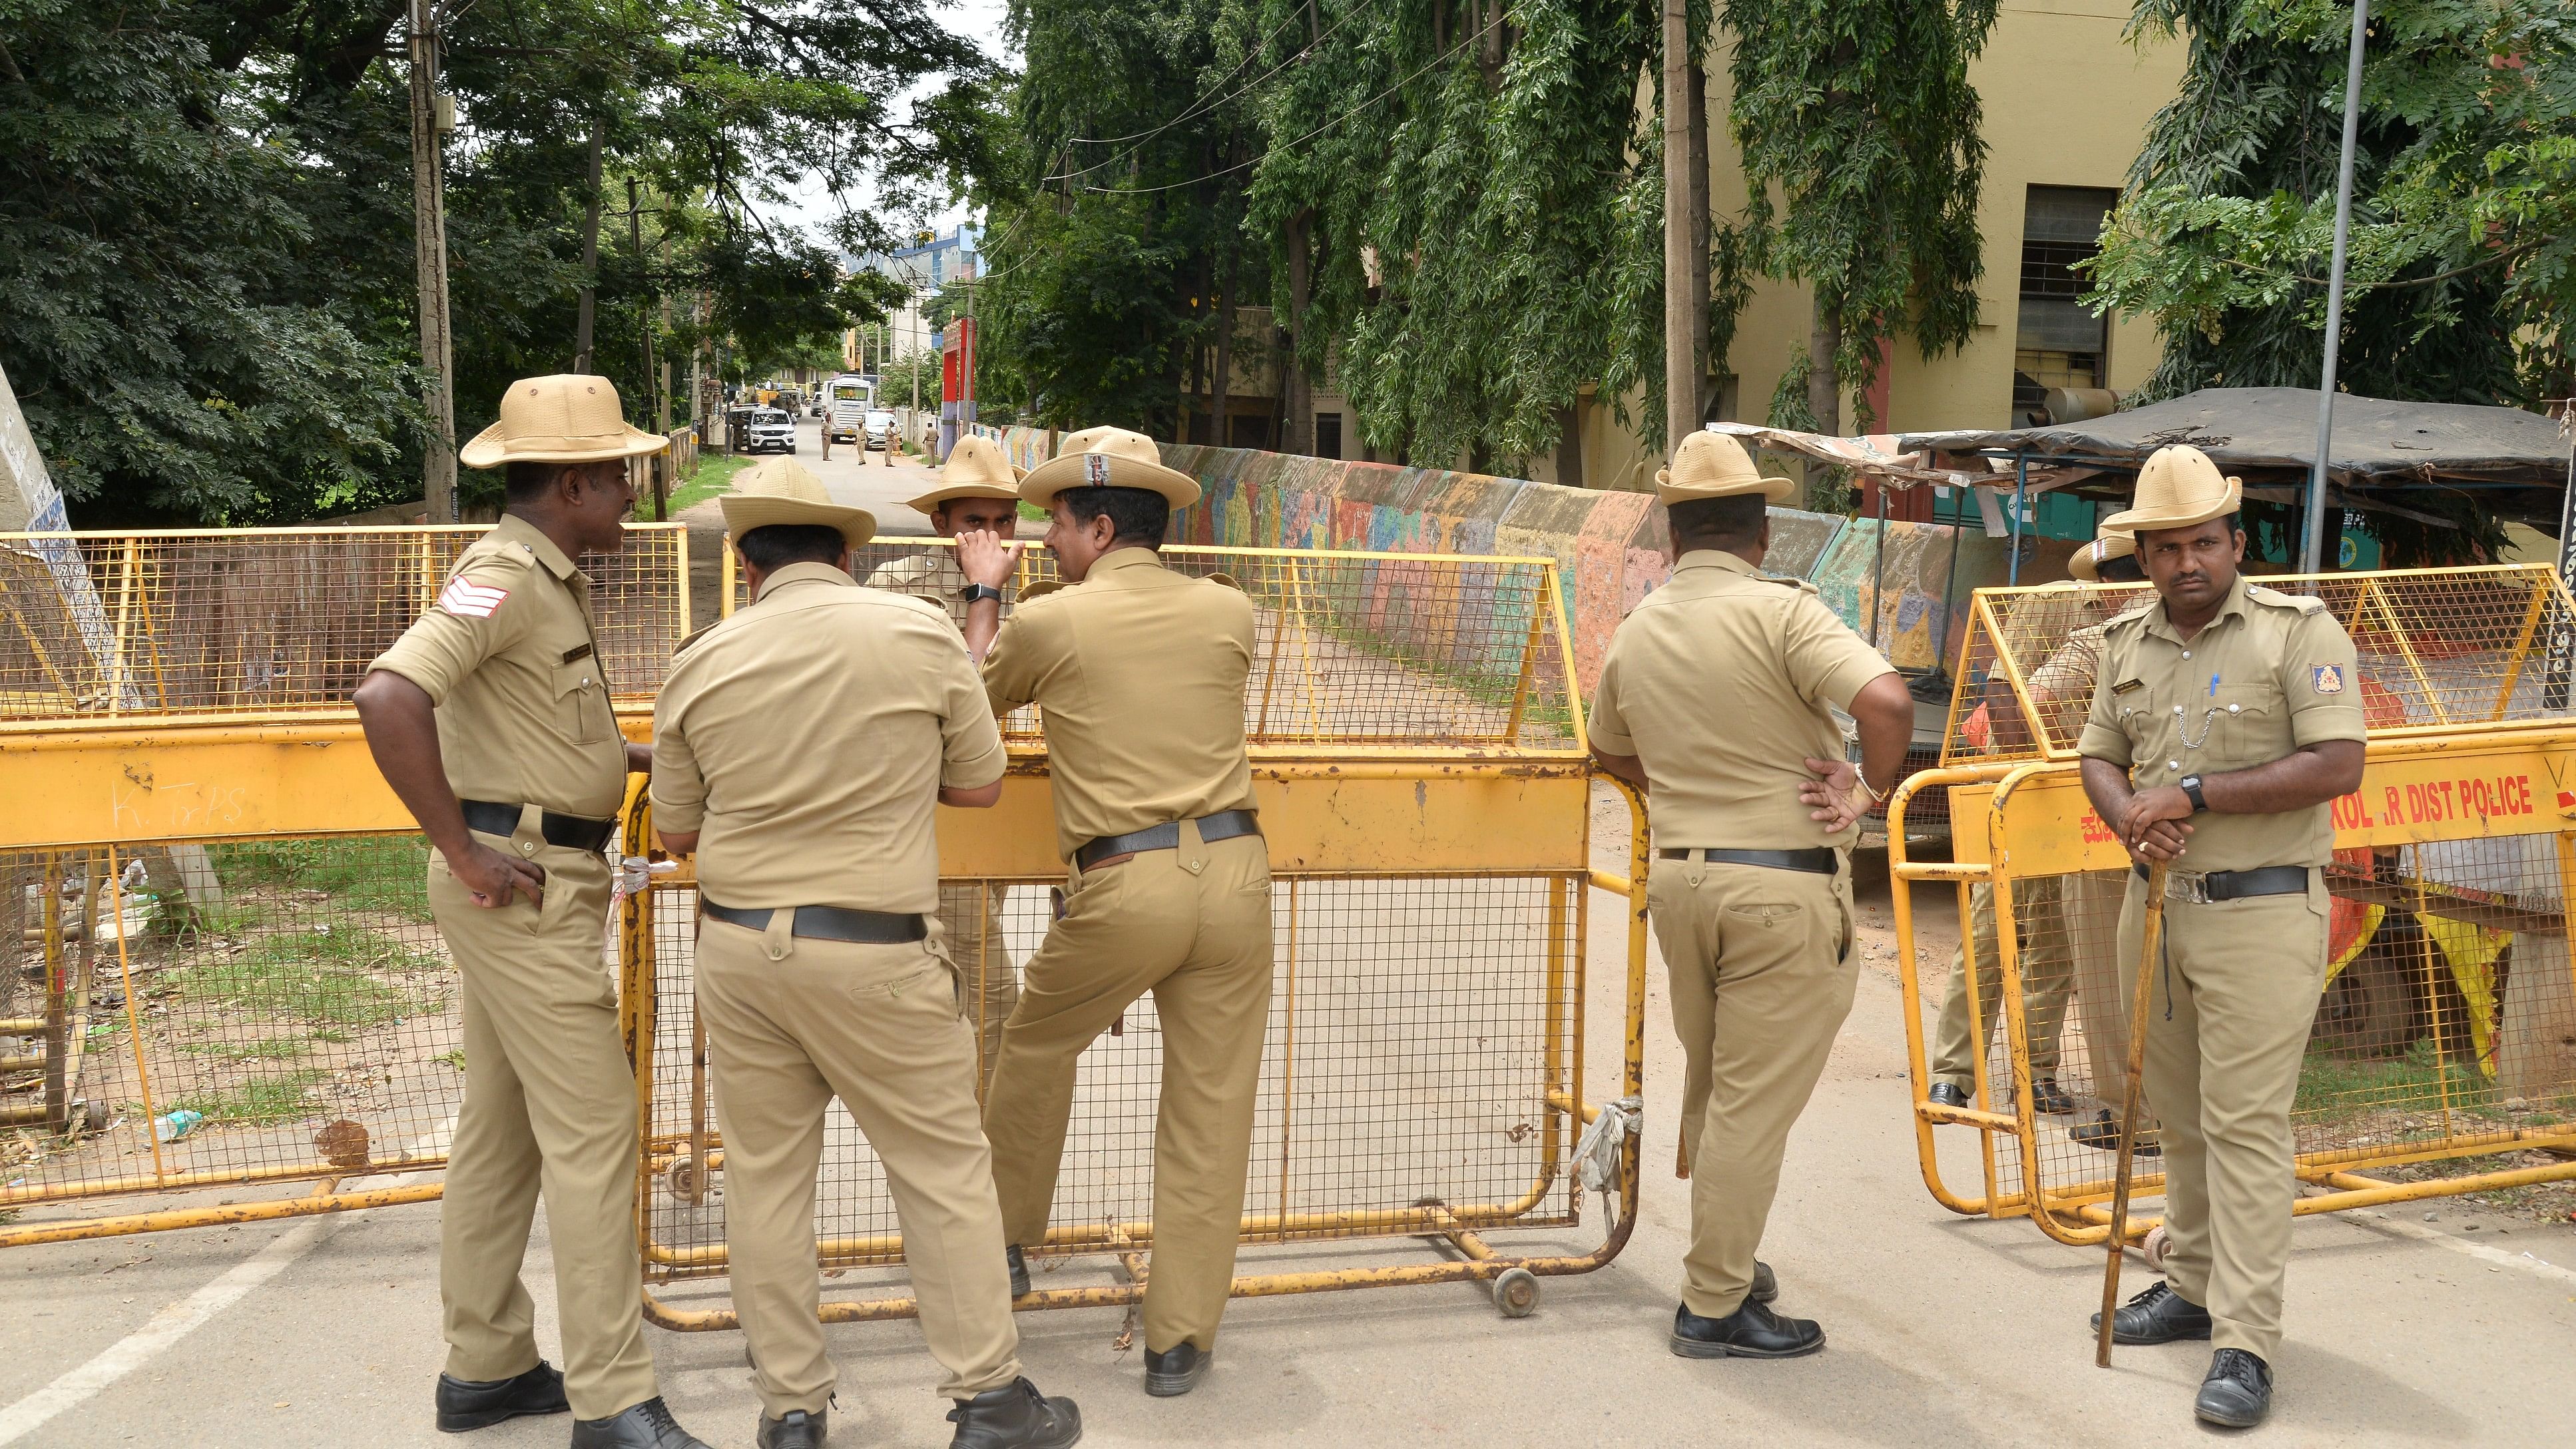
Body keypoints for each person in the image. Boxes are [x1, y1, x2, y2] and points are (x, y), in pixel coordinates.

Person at [651, 459, 1080, 1449]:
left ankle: (792, 1411)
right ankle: (988, 1398)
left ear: (743, 561)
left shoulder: (701, 658)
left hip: (740, 951)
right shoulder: (918, 634)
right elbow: (976, 787)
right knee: (939, 1169)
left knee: (764, 1180)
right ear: (849, 554)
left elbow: (676, 831)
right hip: (876, 953)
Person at [354, 374, 712, 1449]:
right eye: (617, 475)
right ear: (570, 484)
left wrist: (632, 759)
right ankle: (611, 1400)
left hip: (534, 875)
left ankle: (487, 1367)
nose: (630, 493)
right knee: (597, 1130)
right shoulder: (500, 576)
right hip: (518, 887)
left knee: (503, 1133)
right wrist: (459, 849)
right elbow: (387, 696)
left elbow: (537, 734)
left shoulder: (545, 577)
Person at [955, 427, 1270, 1400]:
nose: (1042, 537)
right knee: (1210, 1112)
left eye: (1052, 522)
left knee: (1033, 1054)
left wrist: (983, 592)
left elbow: (962, 719)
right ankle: (1180, 1341)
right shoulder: (1229, 610)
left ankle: (1003, 1244)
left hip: (1123, 882)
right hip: (1236, 877)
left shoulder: (1053, 624)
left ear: (1098, 527)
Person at [1587, 431, 1915, 1360]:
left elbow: (1607, 748)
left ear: (1672, 534)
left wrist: (1685, 784)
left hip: (1682, 883)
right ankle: (1714, 1302)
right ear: (1761, 533)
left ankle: (1723, 1254)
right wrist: (1867, 791)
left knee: (1719, 1077)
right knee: (1749, 1101)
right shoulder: (1782, 613)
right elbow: (1886, 705)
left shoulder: (1640, 627)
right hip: (1777, 887)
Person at [2077, 445, 2364, 1430]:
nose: (2186, 562)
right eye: (2166, 547)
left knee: (2245, 1127)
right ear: (2143, 556)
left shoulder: (2298, 632)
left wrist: (2190, 794)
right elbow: (2099, 758)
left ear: (2235, 542)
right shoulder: (2123, 642)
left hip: (2262, 912)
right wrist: (2128, 812)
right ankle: (2192, 1285)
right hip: (2154, 911)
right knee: (2179, 1111)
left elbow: (2336, 763)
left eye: (2204, 541)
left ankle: (2246, 1343)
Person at [1928, 531, 2145, 1131]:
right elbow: (2002, 690)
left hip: (2085, 800)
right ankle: (1954, 1071)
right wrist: (2032, 775)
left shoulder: (2148, 624)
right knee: (1992, 931)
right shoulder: (2052, 604)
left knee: (2058, 942)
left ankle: (2037, 1072)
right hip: (2023, 788)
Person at [864, 434, 1027, 1092]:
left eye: (1003, 522)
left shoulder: (1025, 591)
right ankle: (976, 1144)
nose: (990, 537)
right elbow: (959, 701)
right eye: (973, 523)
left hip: (993, 820)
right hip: (928, 819)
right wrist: (981, 593)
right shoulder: (895, 591)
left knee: (955, 988)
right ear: (940, 523)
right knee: (993, 995)